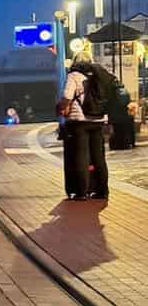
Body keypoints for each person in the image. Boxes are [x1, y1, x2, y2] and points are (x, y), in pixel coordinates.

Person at [61, 52, 110, 200]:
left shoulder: (74, 75)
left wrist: (64, 107)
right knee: (99, 156)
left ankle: (82, 192)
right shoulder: (99, 72)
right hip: (98, 119)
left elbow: (67, 96)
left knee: (81, 155)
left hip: (80, 121)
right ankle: (102, 191)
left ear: (75, 61)